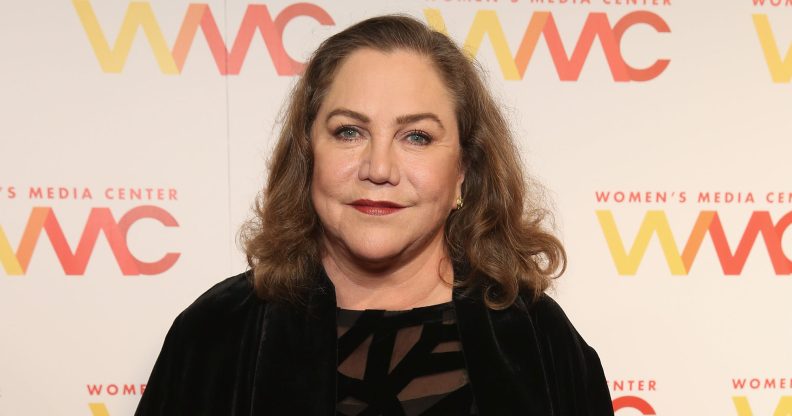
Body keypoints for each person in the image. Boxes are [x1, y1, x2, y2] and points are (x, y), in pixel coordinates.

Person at [135, 14, 613, 416]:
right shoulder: (216, 335)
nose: (378, 169)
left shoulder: (538, 339)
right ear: (308, 155)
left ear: (463, 171)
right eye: (348, 132)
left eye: (417, 137)